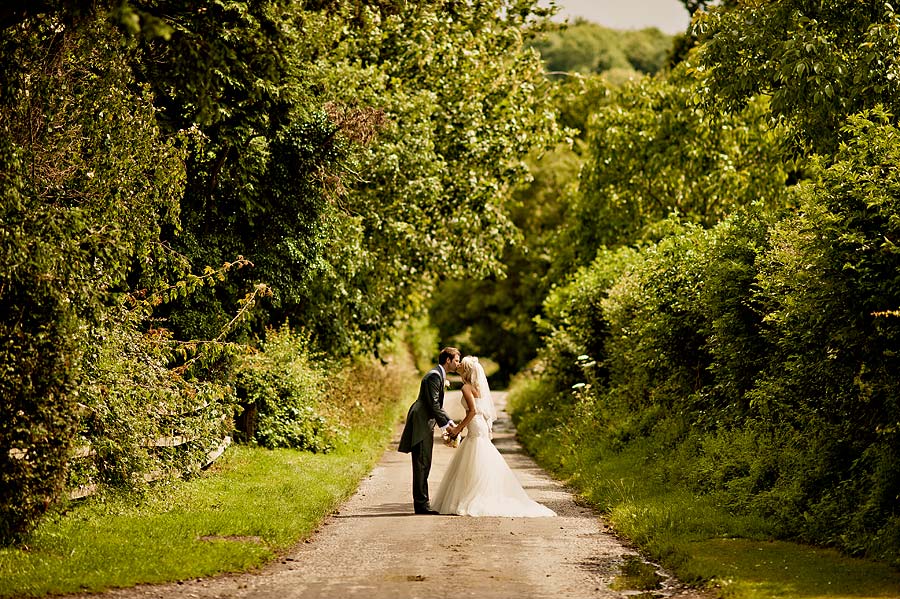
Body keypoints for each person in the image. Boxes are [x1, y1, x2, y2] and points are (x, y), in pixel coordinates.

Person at [431, 356, 555, 517]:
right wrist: (460, 427)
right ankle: (481, 492)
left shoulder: (466, 388)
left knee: (474, 457)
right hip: (479, 424)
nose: (459, 365)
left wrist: (457, 429)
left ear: (467, 371)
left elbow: (473, 411)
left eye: (462, 365)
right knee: (480, 457)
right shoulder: (478, 388)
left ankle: (473, 496)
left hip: (475, 423)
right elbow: (477, 411)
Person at [398, 347, 461, 514]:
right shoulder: (434, 376)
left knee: (425, 462)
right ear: (447, 360)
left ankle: (422, 503)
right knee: (421, 463)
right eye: (456, 360)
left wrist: (445, 424)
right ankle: (421, 505)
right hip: (421, 421)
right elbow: (433, 405)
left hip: (426, 421)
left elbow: (434, 405)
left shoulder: (438, 374)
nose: (458, 363)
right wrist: (448, 424)